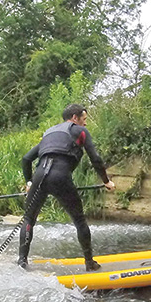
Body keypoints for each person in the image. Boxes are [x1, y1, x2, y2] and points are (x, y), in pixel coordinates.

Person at [18, 103, 115, 271]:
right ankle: (89, 263)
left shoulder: (49, 133)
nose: (85, 123)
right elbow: (96, 159)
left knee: (28, 220)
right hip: (60, 177)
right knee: (79, 221)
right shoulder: (81, 132)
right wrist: (106, 181)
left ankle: (22, 261)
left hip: (39, 176)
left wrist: (29, 183)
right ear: (75, 118)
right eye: (84, 119)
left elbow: (26, 159)